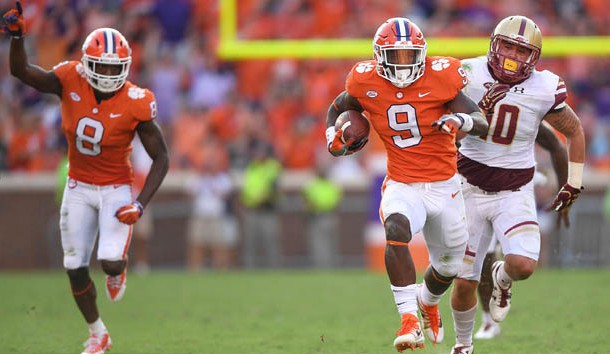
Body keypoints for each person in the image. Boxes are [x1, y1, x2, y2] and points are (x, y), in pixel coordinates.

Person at [2, 3, 170, 354]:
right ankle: (98, 334)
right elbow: (22, 73)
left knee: (109, 259)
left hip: (116, 187)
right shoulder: (68, 78)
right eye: (102, 64)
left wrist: (139, 203)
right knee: (75, 267)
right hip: (78, 185)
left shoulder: (137, 101)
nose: (109, 71)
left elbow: (161, 158)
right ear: (87, 64)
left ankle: (117, 269)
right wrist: (17, 38)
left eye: (115, 65)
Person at [325, 17, 489, 352]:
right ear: (379, 56)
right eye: (395, 55)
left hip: (445, 185)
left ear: (423, 52)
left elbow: (482, 123)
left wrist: (460, 120)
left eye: (409, 54)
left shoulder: (441, 75)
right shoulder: (364, 80)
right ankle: (408, 320)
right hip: (402, 182)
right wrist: (333, 134)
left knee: (449, 266)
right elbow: (339, 106)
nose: (403, 62)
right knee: (396, 228)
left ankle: (428, 301)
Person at [450, 15, 586, 354]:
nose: (511, 56)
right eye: (507, 46)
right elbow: (440, 122)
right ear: (494, 44)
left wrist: (572, 185)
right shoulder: (465, 74)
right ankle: (463, 344)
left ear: (535, 57)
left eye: (521, 50)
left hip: (515, 188)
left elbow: (569, 134)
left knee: (522, 265)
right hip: (468, 183)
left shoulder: (542, 90)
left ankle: (501, 280)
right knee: (462, 278)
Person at [473, 124, 568, 340]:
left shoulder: (526, 105)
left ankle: (503, 275)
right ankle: (488, 320)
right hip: (479, 189)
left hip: (516, 189)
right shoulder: (476, 104)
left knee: (523, 263)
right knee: (479, 261)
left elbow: (556, 144)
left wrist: (565, 192)